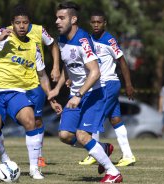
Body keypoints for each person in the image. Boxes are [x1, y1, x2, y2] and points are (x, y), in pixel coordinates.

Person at [0, 5, 62, 180]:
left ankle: (35, 169)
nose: (21, 26)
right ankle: (5, 159)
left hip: (16, 92)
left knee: (31, 121)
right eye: (18, 22)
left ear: (29, 24)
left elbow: (42, 75)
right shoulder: (1, 34)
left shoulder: (33, 48)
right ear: (12, 23)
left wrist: (52, 97)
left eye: (25, 23)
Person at [48, 2, 122, 183]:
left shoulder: (83, 41)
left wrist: (78, 94)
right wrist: (57, 89)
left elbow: (95, 72)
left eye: (61, 18)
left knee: (82, 135)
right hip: (76, 94)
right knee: (65, 136)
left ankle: (113, 172)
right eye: (57, 17)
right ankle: (102, 148)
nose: (57, 21)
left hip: (93, 94)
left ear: (73, 19)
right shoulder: (62, 38)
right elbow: (69, 63)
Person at [79, 9, 136, 167]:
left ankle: (94, 153)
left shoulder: (109, 40)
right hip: (100, 85)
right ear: (90, 23)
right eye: (93, 22)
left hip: (108, 84)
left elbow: (122, 61)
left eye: (99, 22)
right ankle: (128, 155)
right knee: (115, 119)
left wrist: (129, 84)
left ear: (105, 23)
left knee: (94, 117)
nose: (96, 25)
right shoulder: (89, 39)